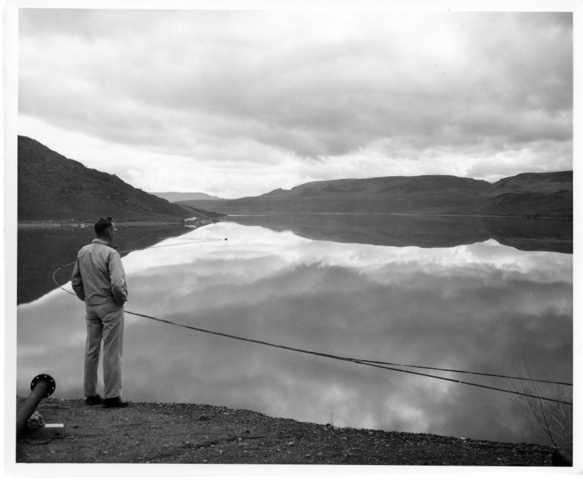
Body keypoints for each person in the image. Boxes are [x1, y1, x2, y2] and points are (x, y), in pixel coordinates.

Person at [71, 217, 129, 408]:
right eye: (115, 229)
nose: (116, 232)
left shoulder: (82, 251)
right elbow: (118, 285)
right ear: (108, 232)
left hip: (91, 306)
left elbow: (76, 282)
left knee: (91, 350)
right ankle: (112, 396)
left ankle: (90, 394)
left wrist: (87, 299)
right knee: (112, 351)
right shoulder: (111, 253)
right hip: (110, 307)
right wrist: (119, 302)